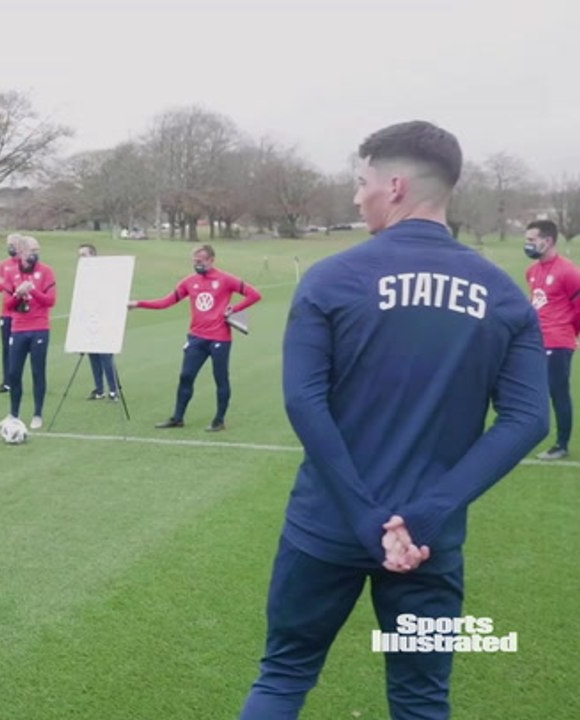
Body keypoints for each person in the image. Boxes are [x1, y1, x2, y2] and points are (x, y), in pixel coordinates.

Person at [239, 121, 550, 720]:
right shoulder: (504, 294)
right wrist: (428, 515)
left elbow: (305, 402)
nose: (357, 197)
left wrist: (361, 515)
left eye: (362, 183)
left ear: (397, 185)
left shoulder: (331, 279)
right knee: (419, 698)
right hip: (428, 542)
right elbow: (528, 419)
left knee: (284, 675)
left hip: (326, 526)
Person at [129, 244, 261, 431]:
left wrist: (234, 309)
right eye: (195, 261)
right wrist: (138, 303)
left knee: (220, 378)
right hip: (197, 337)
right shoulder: (189, 282)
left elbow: (254, 295)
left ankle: (219, 420)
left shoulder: (225, 279)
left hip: (220, 338)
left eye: (200, 261)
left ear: (211, 260)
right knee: (186, 376)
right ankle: (177, 418)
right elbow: (166, 302)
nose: (197, 264)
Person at [523, 219, 580, 460]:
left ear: (547, 241)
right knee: (529, 391)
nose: (528, 245)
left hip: (558, 342)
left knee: (557, 392)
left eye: (531, 240)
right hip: (536, 341)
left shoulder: (569, 272)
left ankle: (561, 444)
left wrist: (571, 334)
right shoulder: (532, 271)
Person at [2, 234, 57, 430]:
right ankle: (13, 413)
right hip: (18, 328)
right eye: (32, 251)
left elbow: (50, 301)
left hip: (39, 328)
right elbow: (8, 305)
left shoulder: (47, 272)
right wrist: (18, 293)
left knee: (37, 371)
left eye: (37, 251)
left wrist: (32, 290)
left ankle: (37, 414)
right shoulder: (11, 273)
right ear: (22, 252)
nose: (35, 254)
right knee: (14, 373)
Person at [78, 243, 119, 401]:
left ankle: (113, 389)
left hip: (103, 320)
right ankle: (99, 389)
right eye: (80, 256)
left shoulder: (103, 275)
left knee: (105, 356)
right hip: (90, 321)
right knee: (93, 355)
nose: (82, 259)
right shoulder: (83, 278)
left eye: (84, 255)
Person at [0, 236, 21, 393]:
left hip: (22, 314)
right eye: (9, 244)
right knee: (6, 349)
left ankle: (17, 379)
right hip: (6, 313)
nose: (11, 247)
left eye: (14, 245)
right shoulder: (3, 265)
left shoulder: (25, 264)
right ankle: (7, 381)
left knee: (20, 349)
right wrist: (13, 284)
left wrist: (9, 284)